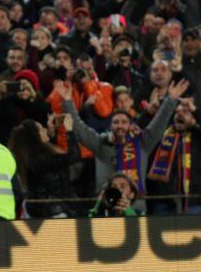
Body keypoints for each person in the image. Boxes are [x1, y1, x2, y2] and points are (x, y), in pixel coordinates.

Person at [56, 79, 190, 196]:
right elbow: (79, 129)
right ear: (110, 125)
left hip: (136, 208)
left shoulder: (142, 143)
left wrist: (170, 100)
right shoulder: (100, 143)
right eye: (116, 122)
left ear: (131, 125)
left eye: (124, 122)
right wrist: (67, 101)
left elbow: (159, 123)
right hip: (105, 208)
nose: (120, 126)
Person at [9, 116, 81, 218]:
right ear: (34, 136)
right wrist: (69, 130)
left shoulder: (34, 157)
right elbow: (73, 156)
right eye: (41, 129)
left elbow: (56, 160)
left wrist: (52, 135)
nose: (45, 129)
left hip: (46, 210)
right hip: (51, 213)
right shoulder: (38, 159)